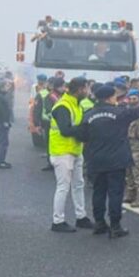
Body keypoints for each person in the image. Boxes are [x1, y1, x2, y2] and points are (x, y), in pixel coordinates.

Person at [77, 84, 139, 237]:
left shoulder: (88, 115)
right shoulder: (119, 113)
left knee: (98, 193)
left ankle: (99, 223)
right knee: (115, 193)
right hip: (116, 160)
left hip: (96, 160)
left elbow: (82, 136)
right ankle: (115, 226)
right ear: (111, 97)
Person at [49, 76, 93, 233]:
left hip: (75, 150)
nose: (88, 92)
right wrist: (84, 129)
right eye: (87, 88)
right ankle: (57, 221)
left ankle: (81, 217)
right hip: (62, 152)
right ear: (80, 89)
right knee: (63, 187)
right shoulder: (63, 106)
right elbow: (65, 130)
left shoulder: (76, 105)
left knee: (78, 184)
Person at [29, 74, 50, 151]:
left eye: (42, 81)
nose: (40, 82)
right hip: (35, 105)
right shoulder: (34, 87)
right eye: (39, 80)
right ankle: (37, 140)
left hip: (42, 107)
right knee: (34, 124)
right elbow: (32, 97)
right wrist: (31, 107)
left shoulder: (46, 87)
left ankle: (42, 141)